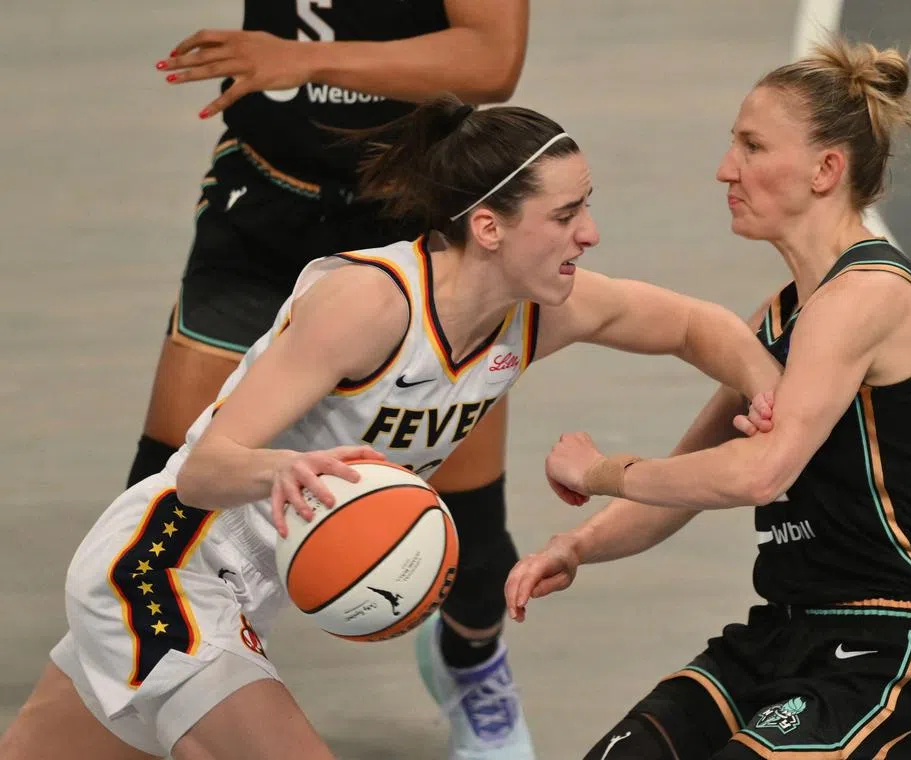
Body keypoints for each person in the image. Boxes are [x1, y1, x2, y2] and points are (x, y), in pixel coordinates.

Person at [0, 96, 781, 760]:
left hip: (238, 594)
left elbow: (690, 325)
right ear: (489, 228)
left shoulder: (537, 313)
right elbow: (203, 469)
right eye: (567, 214)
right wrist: (281, 471)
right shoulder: (370, 306)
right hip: (159, 572)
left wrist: (767, 386)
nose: (591, 233)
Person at [506, 37, 911, 760]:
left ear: (826, 169)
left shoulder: (868, 297)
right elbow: (693, 475)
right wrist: (576, 545)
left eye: (753, 147)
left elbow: (760, 473)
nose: (727, 169)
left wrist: (603, 470)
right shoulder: (782, 315)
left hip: (883, 649)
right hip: (779, 635)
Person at [139, 2, 535, 752]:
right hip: (266, 197)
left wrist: (307, 59)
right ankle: (174, 706)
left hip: (415, 210)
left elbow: (491, 61)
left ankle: (472, 661)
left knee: (476, 550)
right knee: (163, 490)